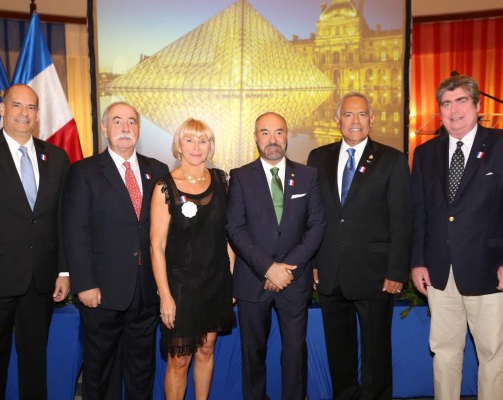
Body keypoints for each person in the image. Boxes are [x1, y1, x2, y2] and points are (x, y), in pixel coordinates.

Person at [307, 92, 412, 400]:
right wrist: (314, 261)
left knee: (376, 352)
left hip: (376, 274)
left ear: (372, 119)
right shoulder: (318, 157)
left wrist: (396, 270)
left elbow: (402, 220)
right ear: (338, 120)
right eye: (349, 115)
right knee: (338, 350)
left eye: (362, 114)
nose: (355, 121)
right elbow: (315, 216)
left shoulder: (392, 160)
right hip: (331, 272)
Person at [62, 101, 168, 399]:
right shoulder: (83, 172)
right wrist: (84, 283)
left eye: (132, 122)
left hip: (145, 290)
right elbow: (75, 232)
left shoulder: (157, 170)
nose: (125, 128)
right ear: (105, 128)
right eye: (118, 121)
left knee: (141, 370)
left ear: (139, 129)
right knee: (101, 370)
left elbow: (162, 234)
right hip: (101, 291)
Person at [411, 75, 503, 400]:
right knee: (445, 352)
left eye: (461, 101)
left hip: (490, 271)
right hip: (439, 272)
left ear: (478, 106)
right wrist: (417, 262)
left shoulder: (502, 144)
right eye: (446, 104)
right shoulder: (424, 153)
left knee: (493, 354)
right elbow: (419, 212)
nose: (453, 110)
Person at [0, 84, 70, 399]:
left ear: (38, 114)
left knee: (34, 363)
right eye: (17, 105)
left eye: (31, 107)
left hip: (40, 280)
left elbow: (61, 219)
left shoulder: (56, 157)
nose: (24, 113)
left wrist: (64, 272)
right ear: (2, 109)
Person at [226, 112, 325, 400]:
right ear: (256, 137)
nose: (272, 139)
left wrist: (286, 269)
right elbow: (234, 228)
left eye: (278, 132)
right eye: (265, 132)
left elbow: (317, 225)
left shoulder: (308, 176)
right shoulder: (240, 177)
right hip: (252, 280)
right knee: (252, 354)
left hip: (294, 281)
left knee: (295, 353)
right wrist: (268, 268)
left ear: (287, 135)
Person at [150, 118, 235, 399]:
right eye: (190, 140)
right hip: (181, 287)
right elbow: (156, 246)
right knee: (178, 360)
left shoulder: (222, 180)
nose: (196, 147)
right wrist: (165, 295)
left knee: (206, 350)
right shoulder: (165, 186)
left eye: (203, 141)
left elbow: (228, 237)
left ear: (210, 145)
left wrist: (230, 280)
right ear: (179, 145)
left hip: (216, 283)